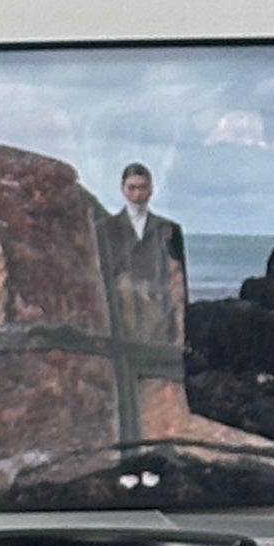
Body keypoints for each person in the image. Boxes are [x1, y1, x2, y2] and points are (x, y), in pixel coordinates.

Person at [96, 160, 189, 440]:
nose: (137, 194)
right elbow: (100, 277)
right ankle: (129, 448)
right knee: (124, 391)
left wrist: (180, 326)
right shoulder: (105, 229)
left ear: (151, 189)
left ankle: (159, 444)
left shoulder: (168, 230)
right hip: (122, 319)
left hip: (158, 320)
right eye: (132, 188)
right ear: (123, 189)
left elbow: (179, 281)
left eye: (142, 188)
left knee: (159, 389)